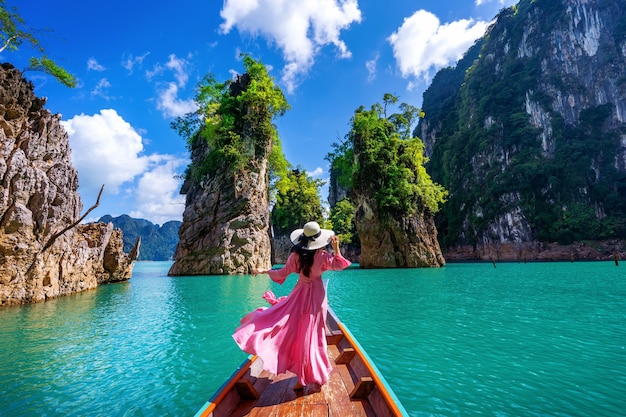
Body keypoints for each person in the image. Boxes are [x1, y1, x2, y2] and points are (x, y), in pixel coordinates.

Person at [232, 221, 351, 391]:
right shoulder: (323, 256)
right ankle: (311, 374)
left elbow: (281, 273)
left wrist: (264, 271)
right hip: (317, 297)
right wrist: (336, 247)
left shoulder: (295, 257)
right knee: (314, 335)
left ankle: (301, 376)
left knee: (292, 328)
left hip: (299, 294)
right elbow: (339, 265)